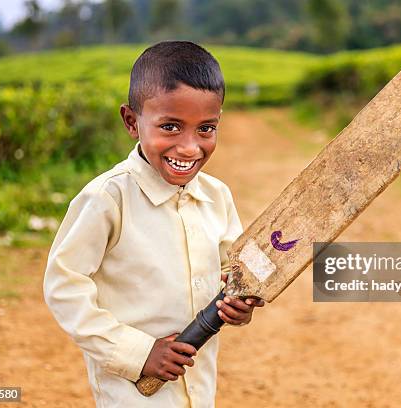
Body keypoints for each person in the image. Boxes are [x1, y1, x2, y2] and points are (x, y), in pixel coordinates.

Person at [43, 41, 264, 408]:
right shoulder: (108, 198)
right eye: (171, 127)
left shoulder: (217, 195)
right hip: (132, 391)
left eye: (206, 128)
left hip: (198, 383)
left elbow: (231, 270)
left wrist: (240, 305)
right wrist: (138, 353)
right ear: (132, 121)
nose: (190, 148)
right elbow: (64, 287)